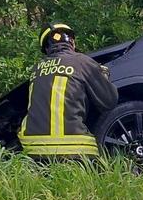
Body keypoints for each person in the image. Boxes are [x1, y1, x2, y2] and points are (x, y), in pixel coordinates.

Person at [18, 23, 118, 161]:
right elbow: (109, 101)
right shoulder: (82, 62)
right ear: (72, 42)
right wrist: (103, 76)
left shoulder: (36, 70)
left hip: (34, 151)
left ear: (47, 49)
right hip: (74, 149)